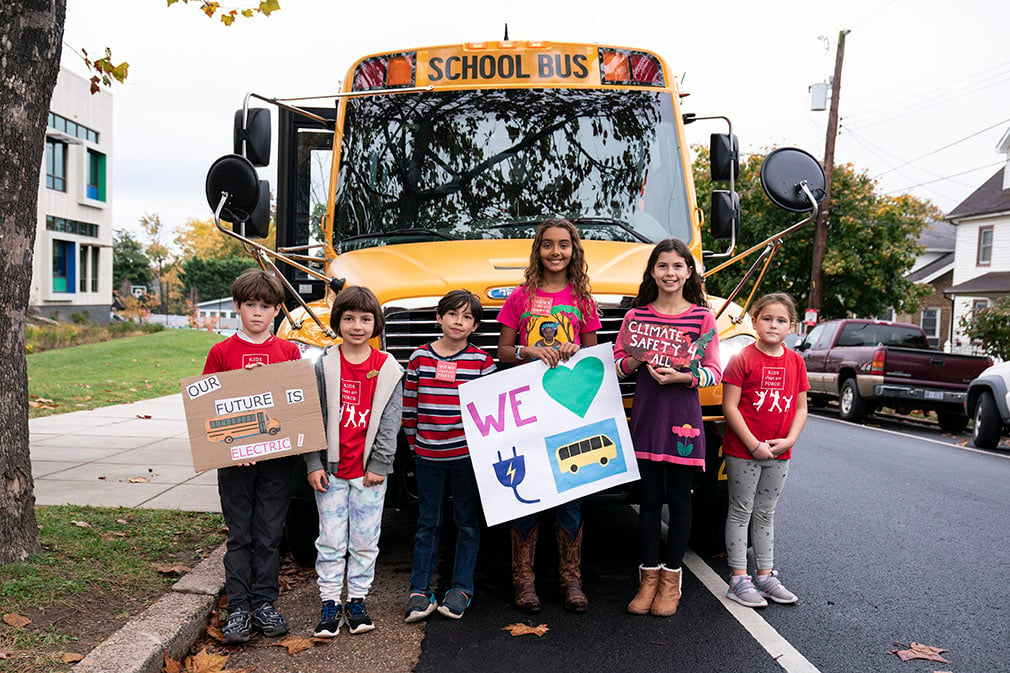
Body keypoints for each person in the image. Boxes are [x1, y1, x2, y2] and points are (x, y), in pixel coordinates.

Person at [497, 218, 601, 613]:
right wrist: (528, 351)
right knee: (527, 492)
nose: (556, 252)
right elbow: (503, 352)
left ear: (574, 251)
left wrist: (576, 350)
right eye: (548, 245)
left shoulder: (583, 299)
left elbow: (593, 358)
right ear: (537, 250)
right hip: (526, 407)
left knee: (571, 491)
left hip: (568, 406)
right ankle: (524, 581)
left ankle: (570, 578)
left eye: (564, 245)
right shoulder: (520, 297)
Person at [613, 239, 721, 617]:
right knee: (648, 501)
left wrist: (682, 376)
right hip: (647, 419)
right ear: (652, 272)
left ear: (688, 272)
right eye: (663, 266)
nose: (670, 273)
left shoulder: (702, 318)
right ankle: (647, 579)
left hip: (684, 420)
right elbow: (618, 365)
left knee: (679, 500)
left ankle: (671, 580)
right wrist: (637, 361)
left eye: (678, 266)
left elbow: (713, 372)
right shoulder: (636, 318)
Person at [202, 268, 301, 645]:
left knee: (269, 533)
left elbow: (295, 404)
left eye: (265, 306)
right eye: (249, 305)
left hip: (277, 461)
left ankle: (264, 602)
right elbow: (208, 409)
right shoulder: (222, 352)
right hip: (235, 462)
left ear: (277, 310)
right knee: (240, 535)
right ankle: (239, 608)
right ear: (237, 307)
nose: (257, 312)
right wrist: (232, 447)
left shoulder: (287, 351)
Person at [305, 286, 403, 637]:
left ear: (376, 324)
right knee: (330, 539)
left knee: (364, 539)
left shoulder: (387, 368)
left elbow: (392, 421)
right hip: (331, 471)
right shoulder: (325, 364)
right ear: (338, 322)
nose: (357, 326)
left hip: (369, 474)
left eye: (365, 319)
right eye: (349, 318)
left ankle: (357, 600)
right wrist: (313, 463)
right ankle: (330, 602)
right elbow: (311, 415)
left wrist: (381, 463)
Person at [402, 290, 497, 622]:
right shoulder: (419, 359)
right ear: (439, 318)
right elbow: (409, 407)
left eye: (468, 317)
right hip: (427, 456)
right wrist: (416, 446)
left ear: (474, 326)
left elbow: (488, 411)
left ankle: (461, 588)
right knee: (428, 522)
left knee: (467, 523)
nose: (460, 321)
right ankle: (419, 591)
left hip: (465, 457)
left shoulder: (482, 362)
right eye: (454, 314)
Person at [721, 293, 808, 608]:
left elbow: (801, 408)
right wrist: (753, 444)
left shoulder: (796, 362)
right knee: (742, 509)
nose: (774, 324)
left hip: (780, 451)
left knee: (766, 512)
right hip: (744, 450)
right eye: (767, 318)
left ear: (791, 326)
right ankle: (738, 579)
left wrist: (790, 440)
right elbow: (729, 406)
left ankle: (766, 575)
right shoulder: (742, 359)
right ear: (754, 321)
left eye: (781, 320)